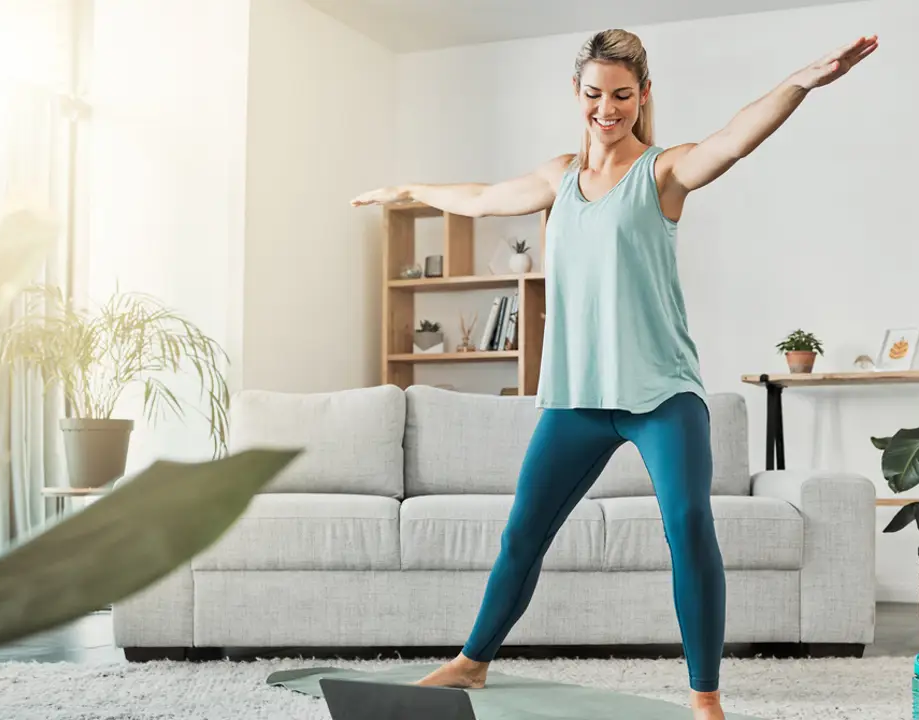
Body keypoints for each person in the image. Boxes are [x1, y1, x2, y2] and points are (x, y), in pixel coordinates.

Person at [350, 28, 878, 720]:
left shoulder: (662, 173)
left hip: (663, 394)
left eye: (622, 95)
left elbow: (733, 139)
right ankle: (472, 663)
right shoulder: (556, 178)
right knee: (523, 533)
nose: (608, 107)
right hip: (577, 398)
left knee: (689, 525)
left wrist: (800, 83)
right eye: (595, 93)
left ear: (643, 95)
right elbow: (481, 197)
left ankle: (705, 696)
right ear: (578, 93)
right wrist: (408, 187)